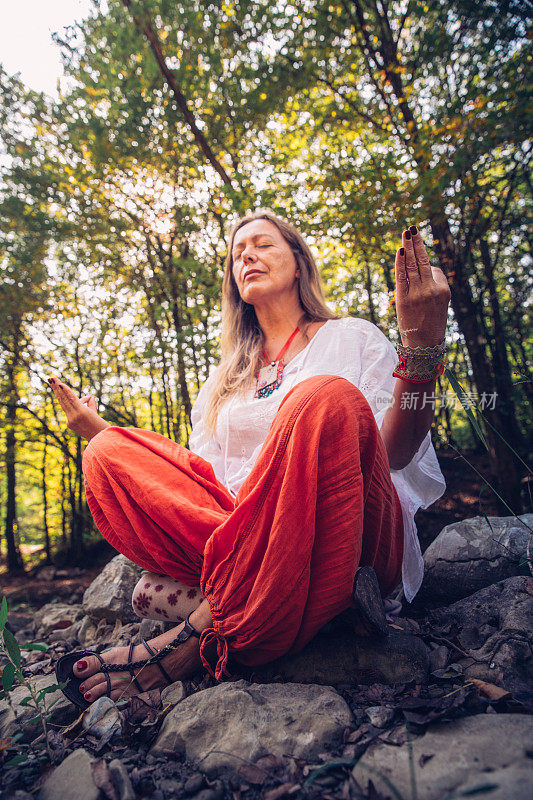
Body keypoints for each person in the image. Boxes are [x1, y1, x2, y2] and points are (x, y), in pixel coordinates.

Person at [49, 209, 450, 706]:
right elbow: (202, 492)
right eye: (238, 254)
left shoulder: (353, 336)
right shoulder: (220, 385)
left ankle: (199, 636)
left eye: (262, 245)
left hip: (352, 535)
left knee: (325, 397)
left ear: (298, 264)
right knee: (107, 452)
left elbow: (396, 450)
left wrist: (423, 348)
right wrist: (111, 438)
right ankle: (315, 608)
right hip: (240, 536)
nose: (248, 257)